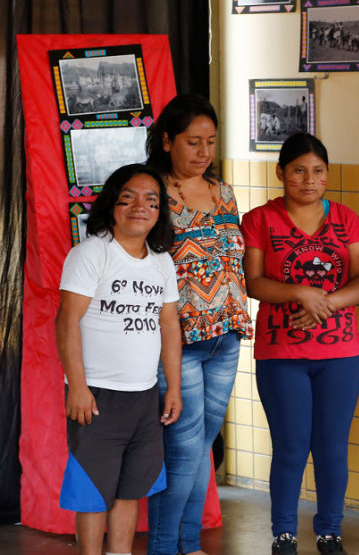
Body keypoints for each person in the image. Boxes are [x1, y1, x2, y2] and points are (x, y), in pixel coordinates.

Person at [241, 133, 359, 555]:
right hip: (282, 354)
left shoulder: (347, 219)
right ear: (281, 173)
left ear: (327, 175)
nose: (309, 179)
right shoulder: (260, 219)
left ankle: (330, 532)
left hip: (340, 353)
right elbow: (254, 282)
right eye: (298, 170)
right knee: (292, 447)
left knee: (332, 446)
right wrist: (300, 292)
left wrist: (325, 302)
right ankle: (284, 534)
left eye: (317, 171)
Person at [145, 94, 253, 555]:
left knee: (202, 448)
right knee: (184, 451)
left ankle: (189, 545)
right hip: (178, 340)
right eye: (193, 142)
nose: (204, 151)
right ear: (168, 140)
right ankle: (166, 547)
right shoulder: (150, 193)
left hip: (226, 336)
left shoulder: (222, 192)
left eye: (210, 142)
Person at [55, 163, 182, 555]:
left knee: (131, 491)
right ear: (112, 204)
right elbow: (66, 321)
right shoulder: (91, 253)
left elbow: (169, 326)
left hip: (144, 397)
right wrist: (77, 386)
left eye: (151, 200)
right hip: (96, 396)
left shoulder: (161, 261)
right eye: (128, 197)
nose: (139, 207)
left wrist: (172, 388)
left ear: (160, 212)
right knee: (94, 490)